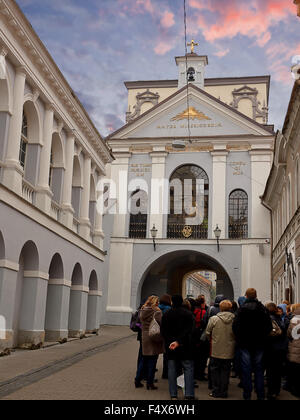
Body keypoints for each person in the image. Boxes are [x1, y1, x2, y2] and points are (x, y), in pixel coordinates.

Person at [232, 288, 272, 400]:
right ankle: (260, 395)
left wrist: (240, 338)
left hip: (245, 344)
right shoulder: (262, 309)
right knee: (259, 370)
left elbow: (235, 327)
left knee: (246, 370)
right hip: (259, 343)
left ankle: (247, 395)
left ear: (246, 296)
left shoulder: (241, 310)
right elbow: (269, 326)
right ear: (256, 295)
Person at [161, 295, 196, 400]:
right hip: (185, 346)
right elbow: (190, 331)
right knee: (188, 369)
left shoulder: (167, 314)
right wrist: (179, 341)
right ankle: (189, 394)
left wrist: (172, 341)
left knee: (172, 370)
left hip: (171, 347)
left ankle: (173, 394)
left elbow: (163, 331)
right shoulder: (188, 314)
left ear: (172, 302)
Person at [206, 300, 236, 398]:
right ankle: (224, 392)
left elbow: (207, 332)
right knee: (226, 371)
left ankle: (216, 391)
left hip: (216, 349)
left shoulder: (214, 319)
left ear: (220, 308)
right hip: (229, 350)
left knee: (215, 370)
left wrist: (211, 339)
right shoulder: (234, 319)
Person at [139, 295, 164, 390]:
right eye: (157, 302)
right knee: (153, 362)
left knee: (144, 360)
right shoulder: (157, 312)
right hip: (154, 336)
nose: (158, 303)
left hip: (144, 336)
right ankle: (150, 383)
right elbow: (161, 323)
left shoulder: (143, 310)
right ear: (154, 302)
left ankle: (138, 380)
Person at [265, 302, 287, 400]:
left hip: (270, 348)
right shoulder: (280, 319)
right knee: (278, 370)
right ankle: (277, 390)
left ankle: (271, 391)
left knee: (270, 371)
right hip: (280, 349)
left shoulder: (267, 319)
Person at [193, 297, 209, 381]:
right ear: (202, 304)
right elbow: (205, 323)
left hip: (194, 335)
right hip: (201, 335)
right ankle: (200, 374)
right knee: (203, 356)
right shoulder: (203, 312)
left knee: (195, 355)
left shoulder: (193, 311)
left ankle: (195, 373)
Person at [287, 304, 300, 398]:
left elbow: (289, 334)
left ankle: (295, 390)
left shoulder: (294, 320)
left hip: (295, 347)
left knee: (295, 370)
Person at [159, 294, 172, 380]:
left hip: (158, 332)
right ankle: (166, 373)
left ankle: (164, 373)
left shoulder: (157, 308)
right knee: (167, 354)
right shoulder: (169, 310)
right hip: (168, 334)